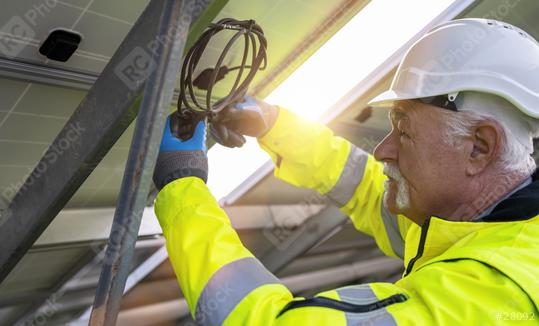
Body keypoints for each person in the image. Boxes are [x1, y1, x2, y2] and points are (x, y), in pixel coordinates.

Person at [152, 19, 539, 325]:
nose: (384, 149)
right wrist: (274, 126)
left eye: (404, 131)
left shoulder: (494, 298)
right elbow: (368, 189)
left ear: (479, 147)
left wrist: (181, 187)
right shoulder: (480, 225)